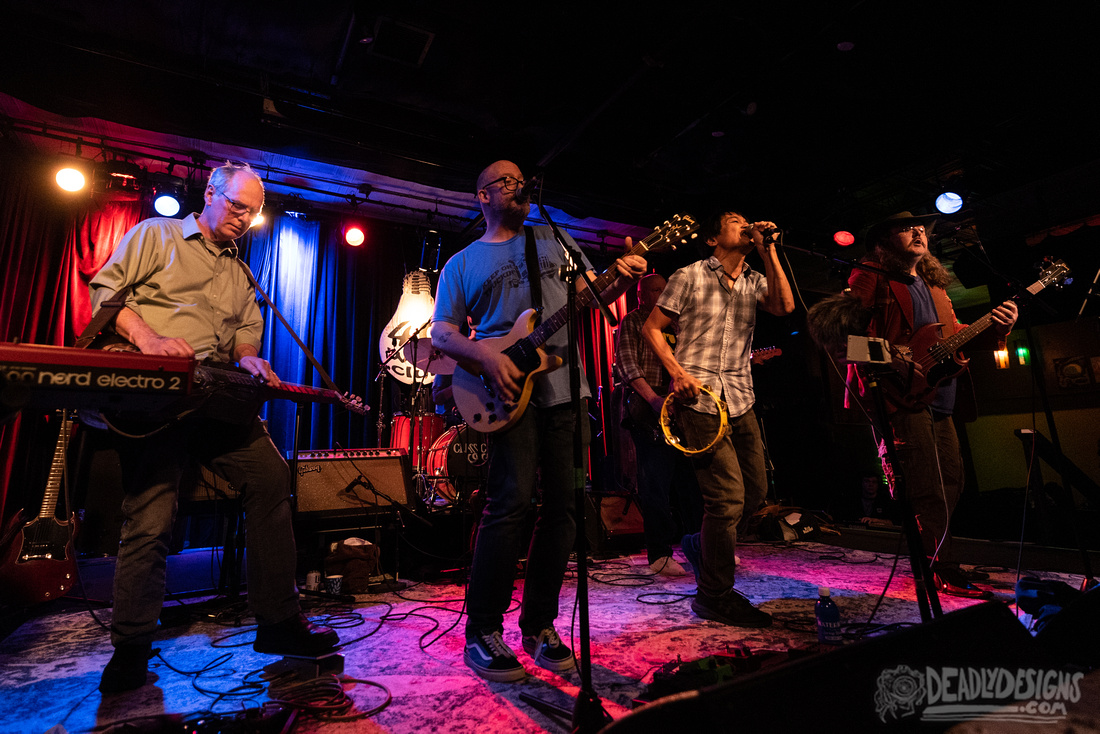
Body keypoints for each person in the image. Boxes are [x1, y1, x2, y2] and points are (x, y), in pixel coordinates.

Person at [88, 162, 338, 694]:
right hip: (156, 399)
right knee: (152, 515)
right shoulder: (157, 235)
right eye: (237, 206)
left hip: (212, 397)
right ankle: (131, 646)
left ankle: (278, 624)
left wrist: (250, 359)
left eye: (253, 211)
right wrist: (151, 341)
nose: (245, 219)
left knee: (270, 477)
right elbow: (107, 295)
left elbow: (246, 333)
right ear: (210, 193)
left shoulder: (241, 273)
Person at [431, 160, 647, 682]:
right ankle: (483, 628)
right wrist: (488, 358)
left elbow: (598, 300)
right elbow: (441, 334)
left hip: (565, 390)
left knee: (567, 509)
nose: (517, 183)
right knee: (510, 504)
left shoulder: (555, 237)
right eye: (504, 180)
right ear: (482, 196)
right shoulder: (462, 262)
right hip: (505, 393)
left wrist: (621, 276)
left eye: (520, 177)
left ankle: (539, 624)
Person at [844, 211, 1017, 599]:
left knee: (952, 480)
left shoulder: (935, 284)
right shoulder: (870, 273)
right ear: (884, 240)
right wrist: (895, 357)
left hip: (941, 392)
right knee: (925, 484)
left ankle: (937, 557)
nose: (919, 231)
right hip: (898, 393)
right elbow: (845, 337)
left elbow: (955, 337)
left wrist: (999, 327)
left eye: (921, 227)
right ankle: (941, 566)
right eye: (906, 227)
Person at [641, 210, 794, 627]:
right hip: (699, 399)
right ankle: (713, 595)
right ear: (712, 239)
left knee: (756, 491)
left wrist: (770, 251)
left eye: (749, 220)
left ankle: (698, 543)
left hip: (741, 396)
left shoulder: (755, 279)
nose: (745, 224)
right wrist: (677, 372)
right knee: (725, 499)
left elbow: (784, 306)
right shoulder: (689, 275)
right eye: (733, 221)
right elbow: (653, 328)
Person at [614, 273, 700, 576]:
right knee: (656, 483)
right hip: (650, 411)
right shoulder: (634, 322)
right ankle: (660, 554)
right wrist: (654, 401)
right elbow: (626, 365)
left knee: (692, 483)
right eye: (654, 290)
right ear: (641, 296)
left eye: (665, 290)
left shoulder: (677, 325)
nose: (662, 295)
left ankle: (699, 547)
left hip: (681, 412)